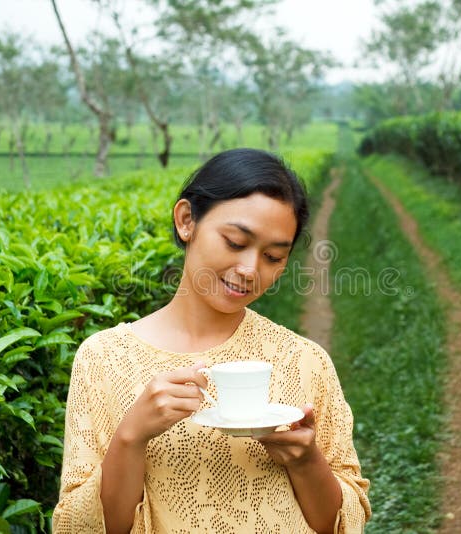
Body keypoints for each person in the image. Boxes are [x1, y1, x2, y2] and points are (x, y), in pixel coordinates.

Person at [52, 148, 371, 533]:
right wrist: (130, 437)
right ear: (187, 220)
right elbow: (81, 527)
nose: (250, 270)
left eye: (272, 256)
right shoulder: (104, 359)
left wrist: (306, 461)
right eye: (235, 242)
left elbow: (338, 524)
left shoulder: (303, 361)